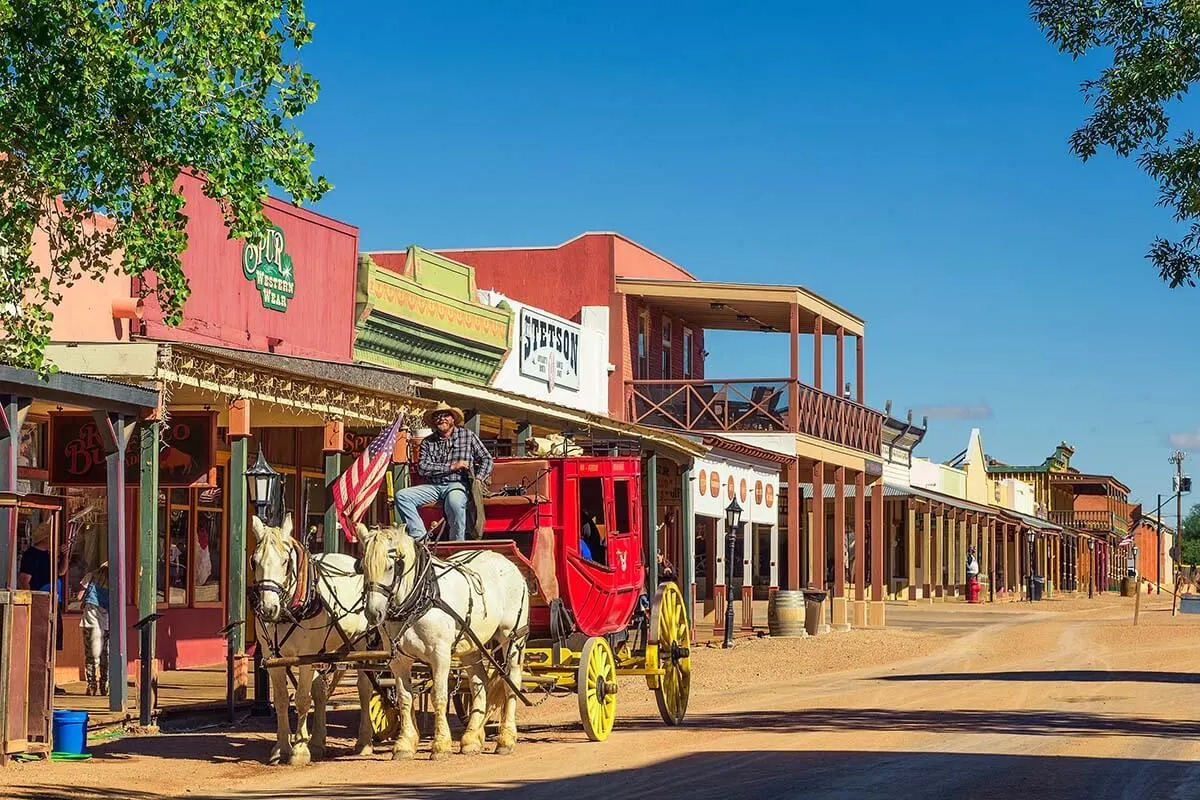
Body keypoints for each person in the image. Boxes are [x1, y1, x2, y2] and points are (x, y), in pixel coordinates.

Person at [393, 402, 493, 542]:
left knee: (455, 502)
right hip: (433, 487)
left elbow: (487, 459)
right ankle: (420, 537)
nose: (441, 419)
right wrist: (452, 466)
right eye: (437, 416)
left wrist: (478, 479)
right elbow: (423, 468)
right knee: (402, 496)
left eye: (445, 415)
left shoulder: (467, 436)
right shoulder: (428, 442)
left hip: (458, 484)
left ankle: (456, 545)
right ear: (434, 421)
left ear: (453, 419)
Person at [76, 562, 110, 696]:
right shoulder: (115, 580)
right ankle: (104, 684)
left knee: (90, 656)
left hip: (89, 621)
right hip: (106, 622)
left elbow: (79, 596)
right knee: (105, 655)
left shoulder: (90, 576)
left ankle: (91, 686)